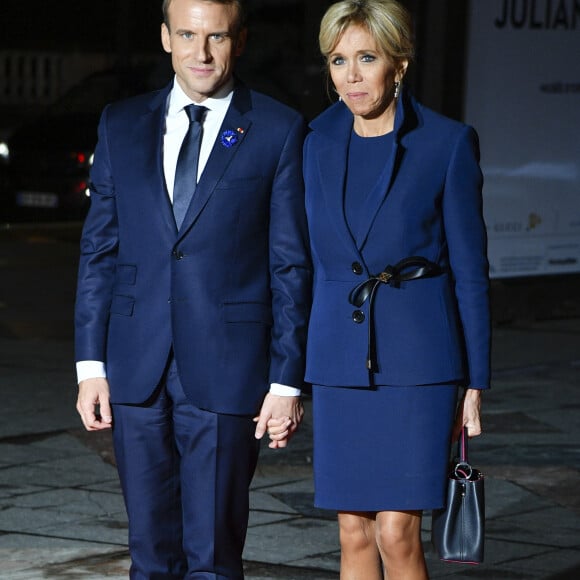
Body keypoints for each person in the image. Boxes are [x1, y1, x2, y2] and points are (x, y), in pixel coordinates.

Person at [74, 0, 312, 577]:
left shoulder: (278, 129)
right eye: (187, 34)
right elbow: (99, 251)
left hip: (229, 367)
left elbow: (290, 265)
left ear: (241, 40)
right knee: (149, 554)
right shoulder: (120, 123)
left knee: (213, 555)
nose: (201, 53)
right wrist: (90, 367)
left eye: (217, 37)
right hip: (135, 365)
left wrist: (286, 380)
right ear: (164, 37)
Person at [301, 1, 491, 578]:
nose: (351, 76)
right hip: (338, 363)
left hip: (418, 365)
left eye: (367, 58)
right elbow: (301, 263)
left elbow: (471, 271)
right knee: (353, 530)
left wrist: (475, 381)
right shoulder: (311, 142)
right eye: (338, 60)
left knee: (396, 531)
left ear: (399, 65)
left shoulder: (446, 143)